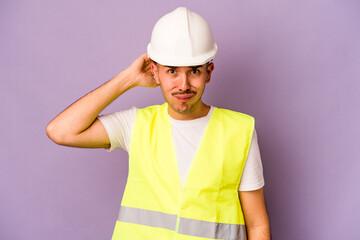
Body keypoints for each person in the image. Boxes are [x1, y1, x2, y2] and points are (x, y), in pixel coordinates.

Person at [46, 7, 270, 240]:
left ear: (208, 72)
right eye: (172, 71)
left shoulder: (239, 131)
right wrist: (128, 78)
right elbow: (60, 131)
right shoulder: (135, 124)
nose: (183, 84)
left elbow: (257, 226)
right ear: (155, 71)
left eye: (194, 71)